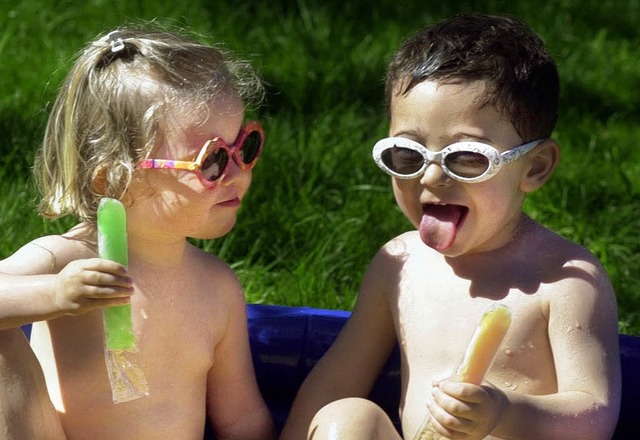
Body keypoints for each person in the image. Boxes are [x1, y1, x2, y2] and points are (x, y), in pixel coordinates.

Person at [280, 13, 621, 440]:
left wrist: (504, 411)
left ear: (534, 167)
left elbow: (594, 414)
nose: (430, 178)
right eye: (407, 155)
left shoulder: (566, 280)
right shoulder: (399, 264)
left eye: (467, 157)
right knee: (346, 417)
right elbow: (334, 381)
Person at [0, 25, 275, 440]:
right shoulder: (66, 261)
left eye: (245, 147)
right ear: (113, 180)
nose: (237, 174)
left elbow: (240, 418)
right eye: (212, 160)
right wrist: (55, 295)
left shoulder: (216, 287)